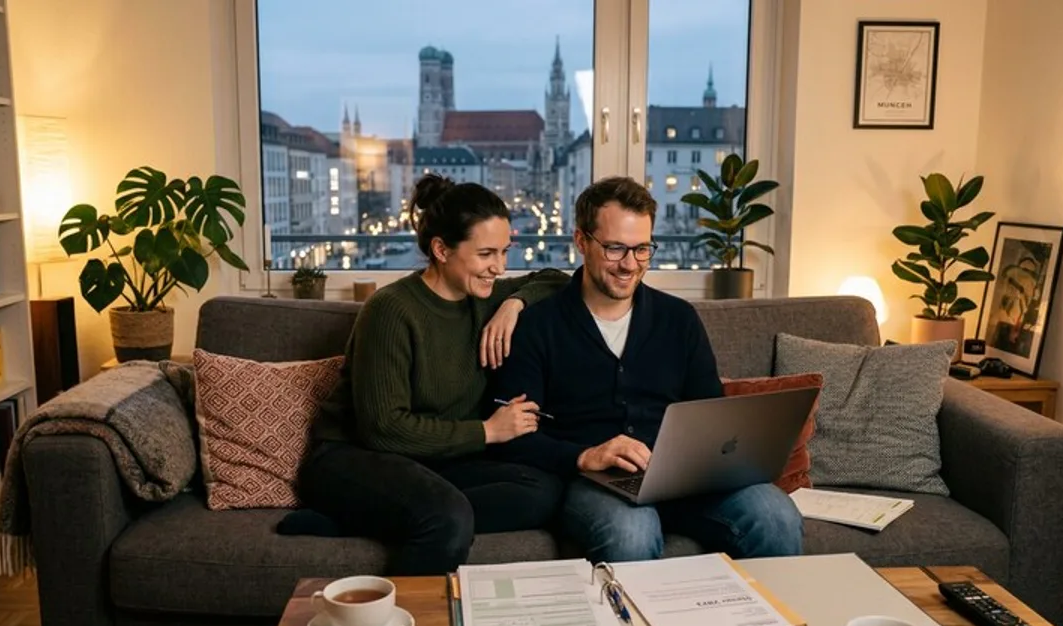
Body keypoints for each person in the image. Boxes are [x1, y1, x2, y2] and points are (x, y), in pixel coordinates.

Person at [488, 176, 803, 563]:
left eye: (642, 249)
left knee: (776, 517)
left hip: (687, 481)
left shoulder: (679, 319)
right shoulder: (539, 326)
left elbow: (711, 414)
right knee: (631, 535)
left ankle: (768, 624)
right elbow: (514, 439)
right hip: (594, 482)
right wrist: (585, 455)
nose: (630, 265)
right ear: (581, 241)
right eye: (616, 248)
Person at [295, 174, 568, 576]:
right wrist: (487, 432)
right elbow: (383, 429)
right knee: (449, 518)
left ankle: (368, 520)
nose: (499, 266)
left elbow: (558, 281)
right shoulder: (390, 310)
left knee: (544, 491)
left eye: (505, 252)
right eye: (486, 253)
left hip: (432, 461)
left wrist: (514, 304)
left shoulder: (486, 296)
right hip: (354, 458)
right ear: (441, 249)